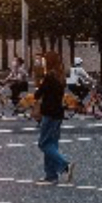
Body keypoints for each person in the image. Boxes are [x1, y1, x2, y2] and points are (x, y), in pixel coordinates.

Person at [35, 51, 74, 185]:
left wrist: (38, 87)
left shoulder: (49, 77)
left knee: (43, 144)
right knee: (52, 144)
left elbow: (38, 94)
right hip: (58, 114)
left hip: (49, 114)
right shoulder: (61, 76)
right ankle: (51, 176)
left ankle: (65, 165)